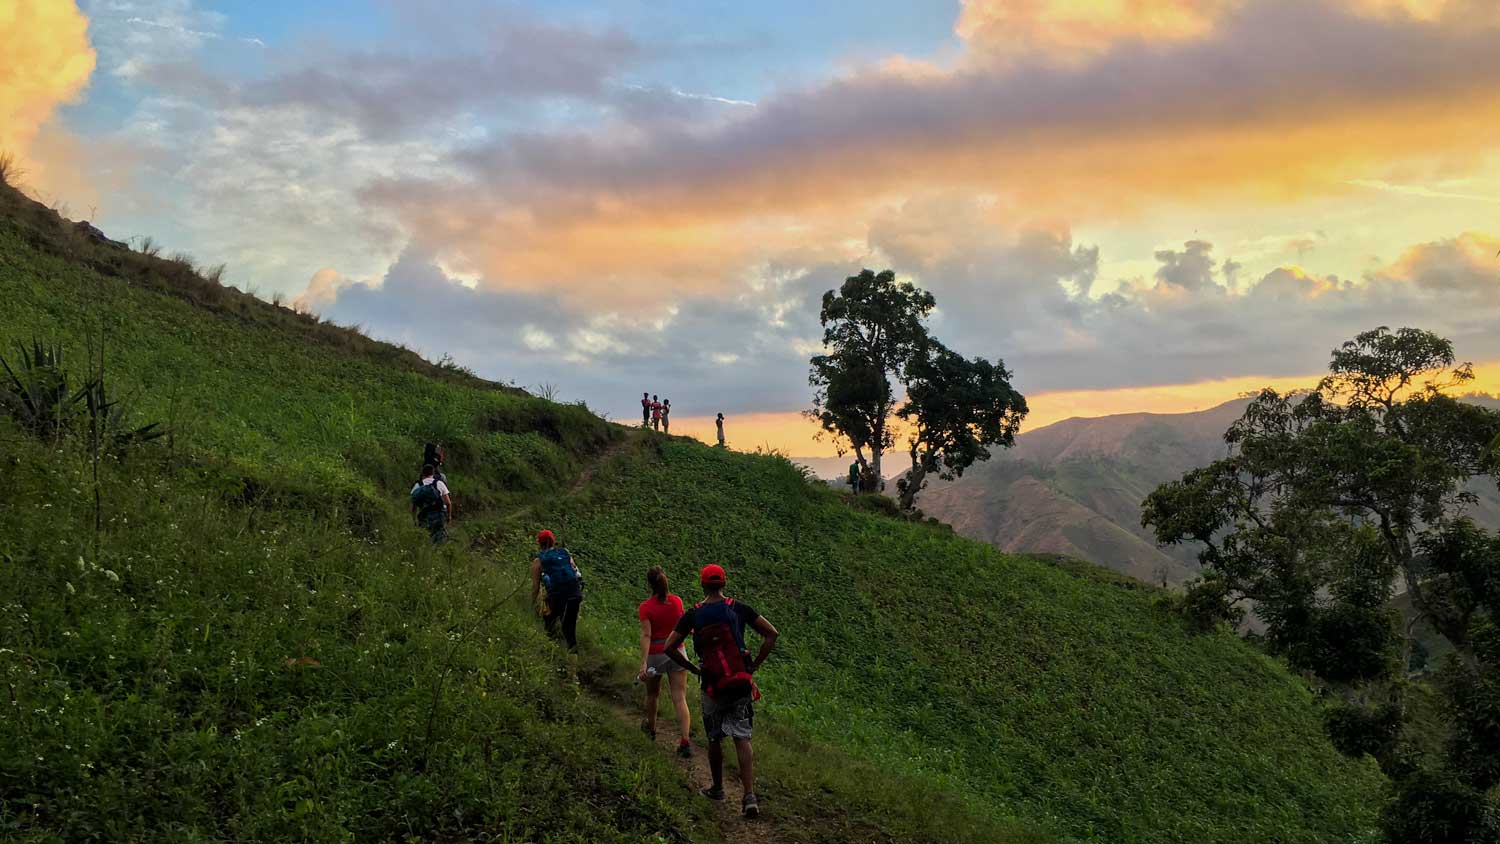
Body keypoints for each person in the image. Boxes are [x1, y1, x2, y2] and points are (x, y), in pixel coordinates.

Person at [664, 564, 779, 818]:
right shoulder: (738, 608)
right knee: (742, 737)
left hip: (712, 686)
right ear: (724, 583)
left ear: (703, 584)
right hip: (740, 683)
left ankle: (717, 788)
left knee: (715, 737)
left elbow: (670, 646)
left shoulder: (694, 614)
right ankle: (749, 795)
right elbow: (771, 634)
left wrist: (694, 669)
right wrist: (754, 666)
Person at [637, 566, 693, 758]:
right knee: (679, 697)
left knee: (653, 694)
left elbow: (646, 635)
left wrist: (644, 663)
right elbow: (683, 625)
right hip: (677, 651)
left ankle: (651, 729)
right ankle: (685, 741)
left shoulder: (646, 607)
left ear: (649, 585)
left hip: (656, 653)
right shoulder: (677, 601)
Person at [530, 529, 583, 651]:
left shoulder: (538, 561)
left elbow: (535, 588)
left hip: (557, 597)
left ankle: (549, 655)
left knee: (549, 624)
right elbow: (577, 574)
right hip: (575, 594)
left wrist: (532, 605)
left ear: (539, 543)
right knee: (570, 632)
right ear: (553, 541)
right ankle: (572, 666)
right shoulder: (565, 553)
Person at [410, 464, 452, 543]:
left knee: (425, 537)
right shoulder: (439, 483)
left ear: (422, 474)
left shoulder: (418, 485)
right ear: (433, 473)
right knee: (439, 537)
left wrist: (414, 519)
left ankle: (426, 552)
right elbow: (448, 503)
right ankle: (438, 552)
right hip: (439, 515)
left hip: (424, 515)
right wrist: (449, 516)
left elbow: (414, 505)